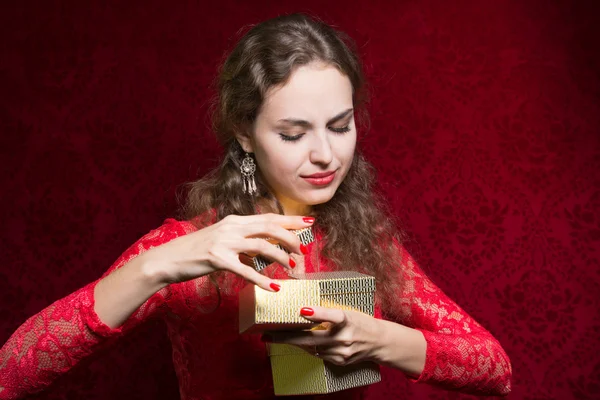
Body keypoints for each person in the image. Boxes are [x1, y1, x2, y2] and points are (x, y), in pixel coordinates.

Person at [0, 13, 511, 399]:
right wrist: (157, 265)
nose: (326, 155)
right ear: (244, 134)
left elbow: (494, 369)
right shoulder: (188, 248)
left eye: (340, 126)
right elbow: (12, 372)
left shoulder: (365, 239)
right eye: (292, 134)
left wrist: (377, 338)